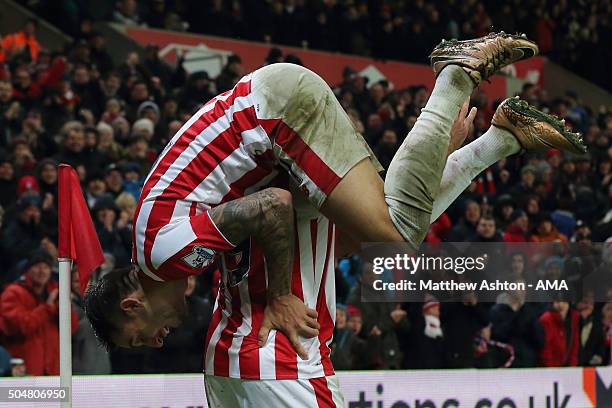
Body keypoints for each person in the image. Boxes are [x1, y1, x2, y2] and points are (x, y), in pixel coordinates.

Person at [84, 32, 585, 407]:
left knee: (390, 230)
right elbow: (272, 208)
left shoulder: (164, 255)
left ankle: (455, 77)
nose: (156, 340)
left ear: (132, 304)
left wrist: (279, 297)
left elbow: (270, 207)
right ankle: (500, 138)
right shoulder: (174, 245)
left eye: (139, 335)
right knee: (376, 229)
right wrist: (434, 157)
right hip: (270, 129)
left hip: (273, 117)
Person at [0, 250, 77, 375]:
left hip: (53, 371)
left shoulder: (56, 292)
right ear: (28, 270)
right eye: (37, 266)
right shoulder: (13, 293)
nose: (42, 271)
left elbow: (71, 329)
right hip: (24, 371)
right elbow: (19, 326)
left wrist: (63, 309)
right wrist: (47, 308)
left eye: (46, 267)